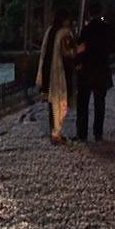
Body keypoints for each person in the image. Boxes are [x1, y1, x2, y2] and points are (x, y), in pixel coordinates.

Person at [36, 9, 76, 144]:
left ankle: (55, 132)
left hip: (49, 72)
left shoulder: (50, 31)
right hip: (60, 74)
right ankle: (56, 133)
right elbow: (67, 53)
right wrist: (78, 50)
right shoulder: (64, 33)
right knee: (61, 103)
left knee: (53, 103)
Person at [75, 3, 114, 142]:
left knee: (83, 104)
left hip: (86, 71)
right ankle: (98, 133)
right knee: (100, 104)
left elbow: (80, 48)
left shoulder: (86, 29)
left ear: (89, 13)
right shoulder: (107, 29)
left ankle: (82, 133)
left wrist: (78, 63)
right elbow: (112, 47)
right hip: (102, 71)